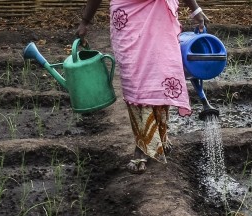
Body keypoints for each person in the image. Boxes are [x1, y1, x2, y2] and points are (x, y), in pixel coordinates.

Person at [77, 0, 209, 174]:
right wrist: (85, 21)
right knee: (135, 80)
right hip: (128, 18)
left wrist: (196, 9)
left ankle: (158, 138)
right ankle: (143, 144)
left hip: (158, 14)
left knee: (160, 74)